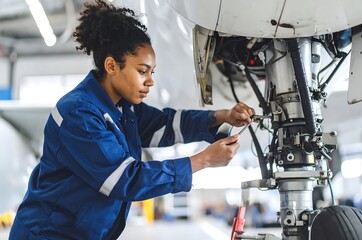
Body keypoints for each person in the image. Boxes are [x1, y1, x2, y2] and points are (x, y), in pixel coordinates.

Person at [9, 0, 255, 239]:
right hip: (47, 234)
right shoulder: (79, 113)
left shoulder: (124, 110)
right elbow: (125, 180)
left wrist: (221, 116)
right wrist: (204, 160)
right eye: (142, 71)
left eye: (151, 72)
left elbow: (167, 125)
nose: (150, 81)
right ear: (112, 66)